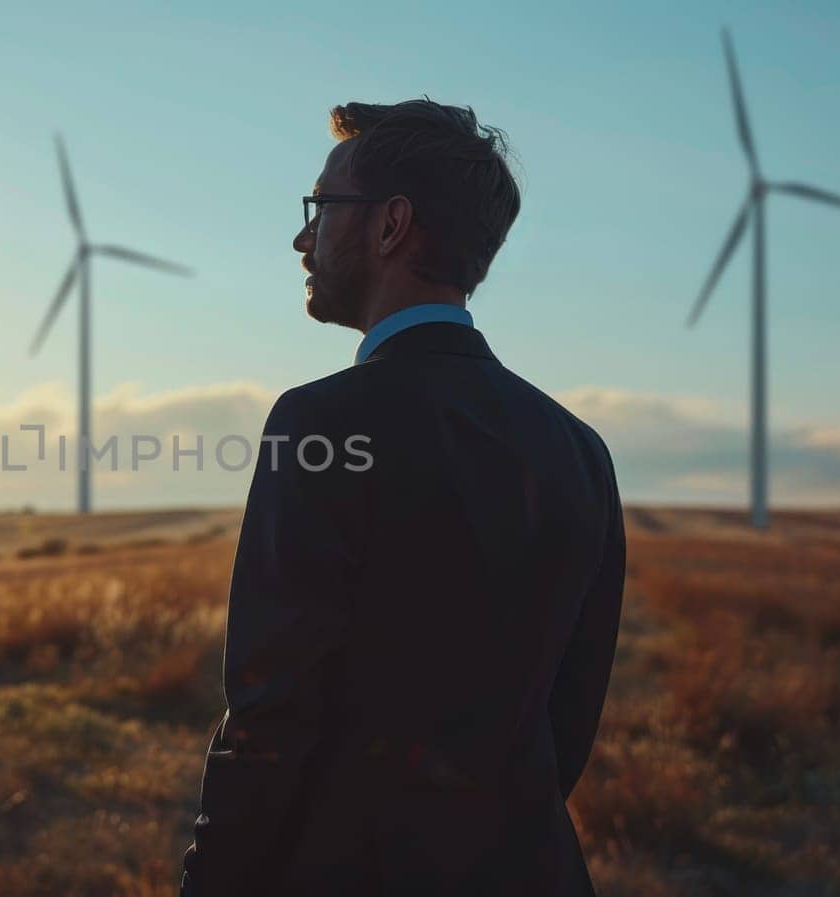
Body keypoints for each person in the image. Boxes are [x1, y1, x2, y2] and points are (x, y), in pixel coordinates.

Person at [179, 98, 626, 896]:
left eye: (321, 208)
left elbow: (269, 717)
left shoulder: (320, 422)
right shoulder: (581, 451)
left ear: (390, 226)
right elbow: (566, 724)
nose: (302, 236)